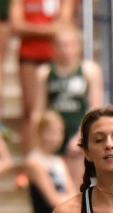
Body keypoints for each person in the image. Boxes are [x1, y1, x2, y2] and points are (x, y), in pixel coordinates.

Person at [31, 26, 104, 185]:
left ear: (78, 46)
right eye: (60, 45)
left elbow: (95, 109)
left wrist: (81, 136)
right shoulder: (44, 72)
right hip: (52, 133)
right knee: (54, 186)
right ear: (53, 48)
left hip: (76, 132)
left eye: (69, 44)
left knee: (76, 185)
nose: (64, 50)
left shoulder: (89, 70)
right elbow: (38, 110)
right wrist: (37, 141)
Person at [9, 0, 76, 154]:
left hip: (56, 58)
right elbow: (16, 26)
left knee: (58, 110)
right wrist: (49, 30)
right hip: (29, 57)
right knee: (30, 111)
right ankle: (30, 158)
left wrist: (31, 29)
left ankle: (57, 156)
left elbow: (63, 24)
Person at [25, 109, 75, 213]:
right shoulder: (33, 161)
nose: (56, 138)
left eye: (60, 132)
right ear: (40, 133)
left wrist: (71, 199)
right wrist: (70, 199)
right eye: (51, 132)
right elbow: (53, 200)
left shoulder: (59, 161)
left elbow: (73, 194)